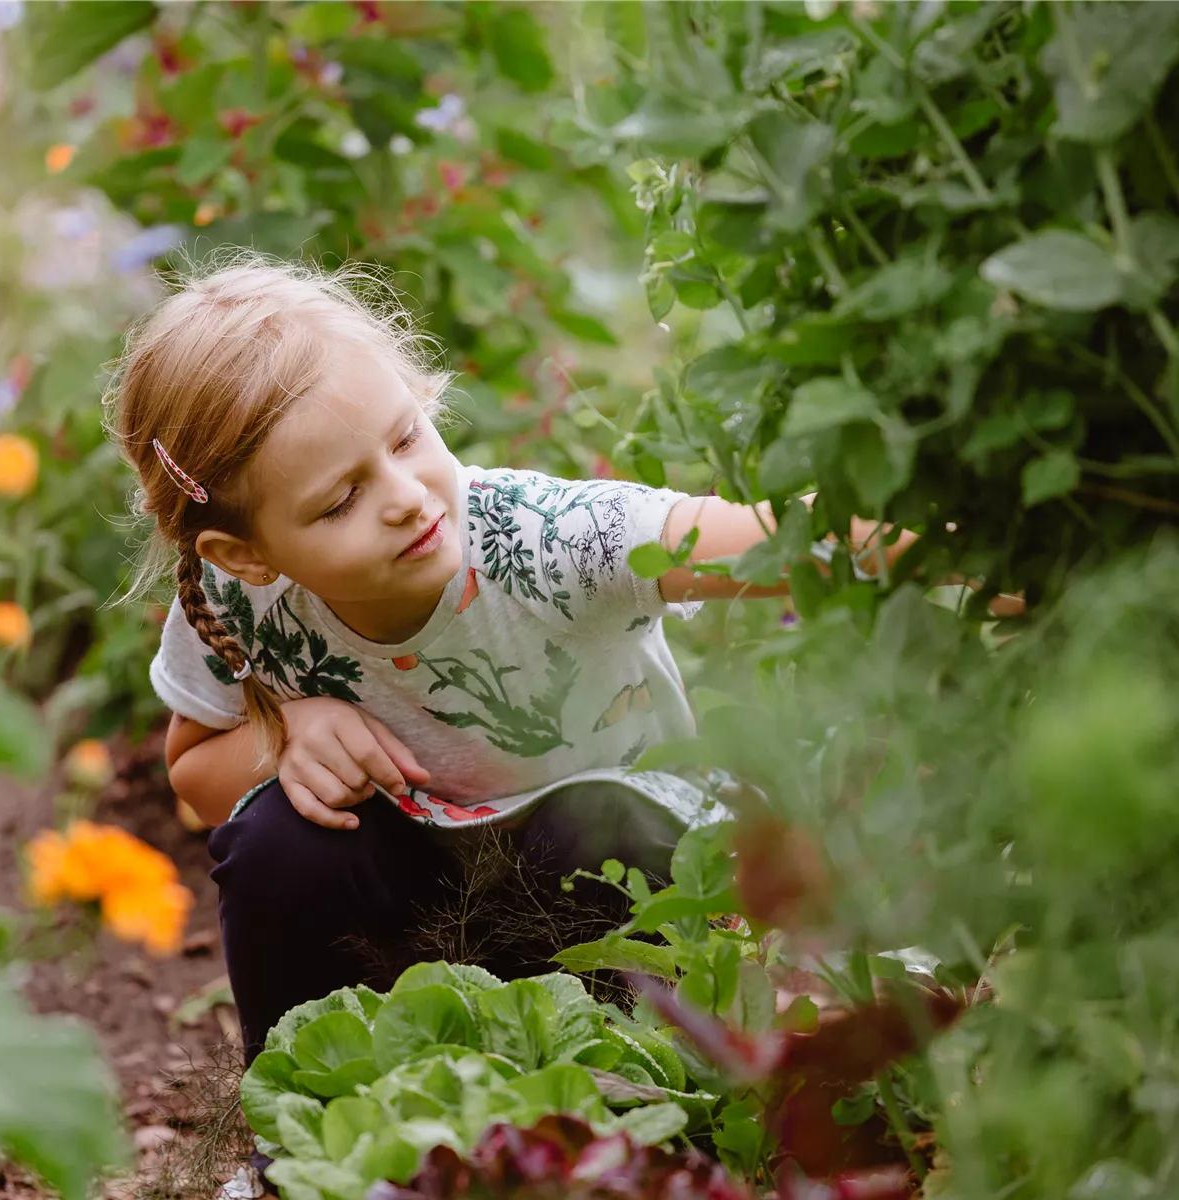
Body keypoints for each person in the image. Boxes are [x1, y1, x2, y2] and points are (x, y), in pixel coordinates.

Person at [106, 254, 902, 1193]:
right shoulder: (235, 603)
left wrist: (963, 552)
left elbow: (768, 541)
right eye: (341, 500)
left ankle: (648, 1130)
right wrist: (287, 737)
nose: (405, 496)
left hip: (618, 898)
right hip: (416, 924)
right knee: (280, 841)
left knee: (596, 823)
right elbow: (195, 775)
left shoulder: (544, 543)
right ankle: (311, 1148)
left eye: (406, 439)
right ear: (244, 553)